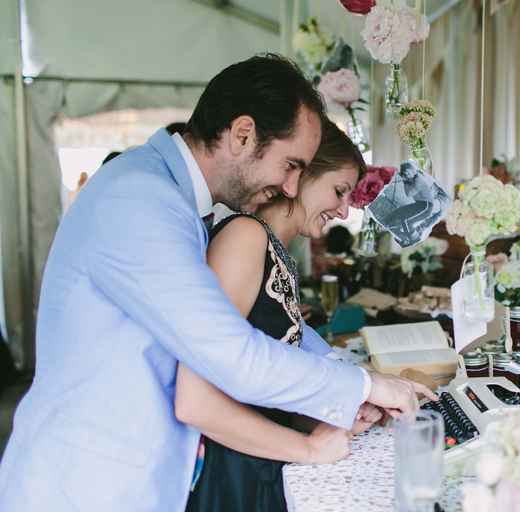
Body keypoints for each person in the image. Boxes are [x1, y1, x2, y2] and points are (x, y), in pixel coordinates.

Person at [0, 54, 433, 511]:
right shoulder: (140, 199)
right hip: (88, 485)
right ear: (242, 134)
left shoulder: (168, 196)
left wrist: (355, 377)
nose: (290, 188)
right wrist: (362, 389)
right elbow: (230, 351)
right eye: (290, 165)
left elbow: (270, 326)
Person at [178, 120, 377, 512]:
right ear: (298, 175)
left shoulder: (272, 248)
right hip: (232, 476)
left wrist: (326, 417)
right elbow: (200, 399)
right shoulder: (245, 238)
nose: (341, 210)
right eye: (338, 191)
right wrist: (308, 446)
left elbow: (262, 387)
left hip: (259, 463)